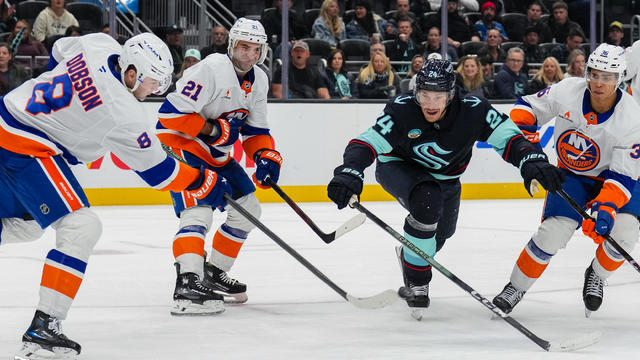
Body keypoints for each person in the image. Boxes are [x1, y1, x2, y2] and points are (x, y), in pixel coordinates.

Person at [0, 32, 230, 358]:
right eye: (152, 83)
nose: (154, 92)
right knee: (82, 227)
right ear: (132, 72)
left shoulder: (100, 44)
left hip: (6, 116)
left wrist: (67, 112)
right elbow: (159, 174)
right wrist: (201, 180)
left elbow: (59, 52)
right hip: (26, 147)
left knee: (26, 225)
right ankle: (43, 328)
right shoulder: (123, 113)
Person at [326, 58, 563, 318]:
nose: (429, 103)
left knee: (442, 232)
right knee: (427, 202)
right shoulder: (402, 109)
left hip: (447, 179)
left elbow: (510, 138)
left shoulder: (474, 110)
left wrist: (531, 161)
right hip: (398, 166)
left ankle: (410, 255)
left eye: (437, 96)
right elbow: (365, 142)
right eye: (424, 94)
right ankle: (418, 280)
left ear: (451, 94)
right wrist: (350, 172)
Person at [493, 44, 640, 317]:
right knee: (553, 233)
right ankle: (516, 287)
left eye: (606, 77)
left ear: (619, 79)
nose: (598, 82)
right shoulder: (567, 90)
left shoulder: (632, 118)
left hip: (615, 179)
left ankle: (596, 275)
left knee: (625, 232)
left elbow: (622, 176)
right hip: (572, 174)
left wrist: (604, 207)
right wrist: (528, 143)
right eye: (594, 74)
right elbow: (527, 108)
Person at [156, 18, 282, 312]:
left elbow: (255, 132)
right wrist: (212, 130)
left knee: (249, 209)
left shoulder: (259, 79)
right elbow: (169, 116)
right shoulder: (210, 69)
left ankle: (212, 274)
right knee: (197, 210)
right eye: (243, 46)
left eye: (255, 49)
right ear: (232, 45)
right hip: (181, 146)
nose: (248, 54)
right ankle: (187, 282)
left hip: (215, 154)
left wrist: (265, 156)